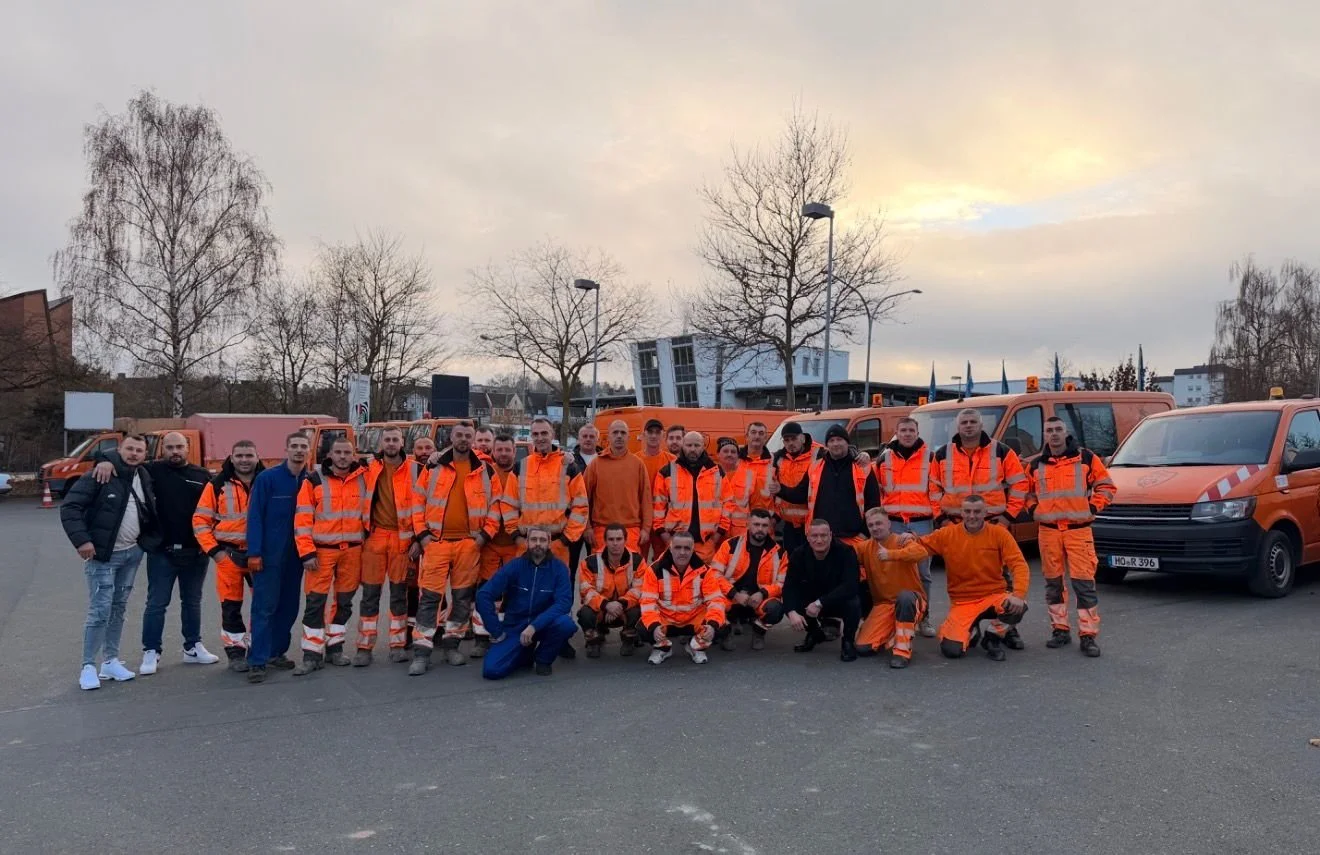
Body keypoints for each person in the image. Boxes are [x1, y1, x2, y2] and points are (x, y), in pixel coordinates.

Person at [92, 431, 219, 673]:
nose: (174, 451)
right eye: (169, 447)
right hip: (162, 551)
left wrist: (209, 543)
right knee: (156, 603)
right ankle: (151, 651)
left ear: (187, 448)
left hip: (196, 552)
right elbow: (119, 456)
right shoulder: (150, 471)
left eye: (179, 447)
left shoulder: (201, 476)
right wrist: (103, 460)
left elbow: (215, 506)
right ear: (162, 449)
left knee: (192, 601)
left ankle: (192, 647)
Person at [61, 433, 158, 690]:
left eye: (139, 450)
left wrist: (144, 543)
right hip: (103, 556)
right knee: (99, 610)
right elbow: (70, 507)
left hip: (132, 554)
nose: (134, 454)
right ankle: (88, 666)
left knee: (118, 608)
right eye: (130, 449)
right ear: (119, 449)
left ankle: (110, 661)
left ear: (145, 455)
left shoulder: (143, 475)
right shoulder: (101, 473)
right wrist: (82, 540)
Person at [928, 408, 1029, 649]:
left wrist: (1007, 516)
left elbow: (1020, 484)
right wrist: (940, 518)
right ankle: (969, 623)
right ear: (957, 426)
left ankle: (1006, 629)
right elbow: (933, 489)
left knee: (1001, 579)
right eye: (964, 422)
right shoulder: (943, 454)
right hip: (955, 525)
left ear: (981, 425)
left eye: (973, 422)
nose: (969, 426)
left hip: (993, 523)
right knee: (962, 578)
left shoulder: (1001, 451)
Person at [410, 421, 504, 672]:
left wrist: (484, 536)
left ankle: (452, 646)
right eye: (459, 435)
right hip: (437, 543)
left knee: (462, 599)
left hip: (469, 545)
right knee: (429, 598)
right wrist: (423, 536)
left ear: (473, 440)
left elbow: (496, 507)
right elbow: (417, 502)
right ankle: (422, 651)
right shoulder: (433, 466)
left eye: (467, 436)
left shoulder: (486, 470)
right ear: (451, 437)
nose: (463, 439)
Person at [1028, 416, 1117, 658]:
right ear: (1044, 435)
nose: (1054, 434)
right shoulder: (1036, 466)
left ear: (1065, 433)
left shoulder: (1086, 458)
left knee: (1084, 585)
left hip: (1079, 531)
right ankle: (1060, 630)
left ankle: (1088, 636)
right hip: (1048, 531)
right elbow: (1026, 492)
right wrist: (1032, 510)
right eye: (1049, 430)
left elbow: (1106, 487)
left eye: (1058, 429)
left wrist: (1093, 508)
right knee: (1053, 585)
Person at [907, 495, 1030, 662]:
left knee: (1018, 606)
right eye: (968, 511)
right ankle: (971, 630)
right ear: (961, 513)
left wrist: (1019, 594)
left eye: (977, 512)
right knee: (951, 650)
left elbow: (1019, 564)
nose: (972, 516)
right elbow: (921, 546)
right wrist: (907, 540)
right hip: (963, 602)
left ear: (985, 513)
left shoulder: (999, 534)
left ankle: (992, 637)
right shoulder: (948, 534)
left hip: (994, 596)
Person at [291, 438, 370, 676]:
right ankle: (311, 654)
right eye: (338, 452)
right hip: (322, 552)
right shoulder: (313, 480)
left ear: (354, 455)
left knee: (344, 603)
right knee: (315, 603)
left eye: (348, 452)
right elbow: (302, 520)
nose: (343, 456)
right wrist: (306, 552)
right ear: (330, 455)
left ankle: (335, 648)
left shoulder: (364, 478)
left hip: (353, 551)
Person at [513, 416, 588, 659]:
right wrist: (516, 535)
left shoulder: (568, 465)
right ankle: (527, 638)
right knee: (527, 592)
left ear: (552, 433)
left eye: (544, 433)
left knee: (559, 593)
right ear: (530, 437)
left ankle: (559, 637)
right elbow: (508, 504)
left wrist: (567, 539)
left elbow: (581, 505)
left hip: (557, 542)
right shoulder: (521, 466)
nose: (540, 438)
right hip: (527, 543)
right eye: (535, 434)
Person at [245, 432, 312, 683]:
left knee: (289, 607)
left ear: (309, 451)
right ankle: (258, 660)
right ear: (286, 450)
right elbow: (254, 517)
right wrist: (254, 552)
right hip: (269, 554)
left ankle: (276, 652)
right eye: (294, 446)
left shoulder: (311, 480)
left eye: (303, 447)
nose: (298, 451)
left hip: (298, 555)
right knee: (264, 608)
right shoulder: (267, 479)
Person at [192, 440, 264, 671]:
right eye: (239, 455)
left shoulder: (265, 482)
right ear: (232, 458)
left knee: (262, 605)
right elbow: (200, 521)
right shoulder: (217, 484)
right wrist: (214, 552)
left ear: (257, 457)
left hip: (259, 555)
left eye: (249, 455)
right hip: (228, 555)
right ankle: (235, 652)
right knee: (231, 606)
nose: (244, 460)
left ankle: (259, 647)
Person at [474, 527, 576, 679]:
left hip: (543, 626)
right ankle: (524, 654)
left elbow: (564, 603)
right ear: (527, 542)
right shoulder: (514, 566)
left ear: (549, 543)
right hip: (515, 626)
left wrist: (534, 626)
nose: (538, 544)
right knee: (492, 670)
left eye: (542, 540)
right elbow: (484, 595)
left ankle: (543, 659)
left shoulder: (559, 569)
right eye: (534, 540)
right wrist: (496, 630)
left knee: (565, 624)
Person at [874, 417, 938, 638]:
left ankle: (924, 617)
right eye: (903, 430)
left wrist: (937, 517)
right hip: (893, 522)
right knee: (893, 569)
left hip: (921, 522)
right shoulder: (884, 459)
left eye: (911, 430)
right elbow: (876, 489)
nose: (907, 434)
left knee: (922, 573)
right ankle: (896, 615)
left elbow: (936, 491)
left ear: (917, 432)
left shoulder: (931, 458)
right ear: (897, 433)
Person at [359, 425, 418, 667]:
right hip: (375, 537)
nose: (391, 444)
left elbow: (423, 505)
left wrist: (416, 538)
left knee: (398, 596)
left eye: (395, 439)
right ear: (381, 443)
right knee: (370, 595)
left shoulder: (415, 470)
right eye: (387, 440)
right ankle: (364, 647)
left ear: (402, 443)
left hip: (402, 539)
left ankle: (397, 645)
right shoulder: (368, 467)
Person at [774, 424, 879, 551]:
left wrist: (864, 533)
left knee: (852, 570)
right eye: (831, 441)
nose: (835, 444)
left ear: (847, 443)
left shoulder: (862, 467)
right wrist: (780, 490)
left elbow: (873, 504)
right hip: (821, 538)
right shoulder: (815, 467)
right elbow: (800, 494)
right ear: (827, 445)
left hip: (854, 539)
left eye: (839, 439)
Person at [638, 531, 727, 665]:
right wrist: (655, 626)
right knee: (644, 627)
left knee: (722, 626)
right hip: (666, 621)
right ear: (671, 548)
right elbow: (648, 603)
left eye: (687, 548)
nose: (682, 552)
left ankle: (696, 646)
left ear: (693, 550)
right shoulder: (654, 570)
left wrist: (712, 625)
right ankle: (663, 648)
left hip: (693, 619)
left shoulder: (705, 571)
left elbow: (716, 601)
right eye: (678, 547)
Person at [854, 509, 928, 668]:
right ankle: (892, 631)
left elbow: (921, 553)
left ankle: (902, 650)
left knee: (905, 597)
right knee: (863, 648)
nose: (875, 528)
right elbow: (845, 556)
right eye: (871, 525)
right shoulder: (864, 547)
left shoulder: (901, 540)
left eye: (879, 523)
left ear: (889, 524)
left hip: (912, 600)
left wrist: (891, 555)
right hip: (884, 605)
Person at [472, 433, 522, 657]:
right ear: (493, 451)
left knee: (512, 593)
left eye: (507, 450)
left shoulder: (523, 473)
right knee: (486, 592)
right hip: (490, 543)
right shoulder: (485, 473)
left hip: (515, 544)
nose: (503, 453)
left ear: (514, 451)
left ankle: (508, 635)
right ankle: (482, 637)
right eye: (499, 449)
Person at [783, 519, 861, 662]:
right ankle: (814, 634)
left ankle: (848, 641)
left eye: (824, 535)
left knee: (853, 602)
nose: (819, 540)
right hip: (811, 600)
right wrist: (791, 612)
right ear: (808, 536)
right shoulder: (798, 554)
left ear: (831, 535)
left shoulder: (846, 552)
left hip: (836, 600)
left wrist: (820, 603)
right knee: (793, 602)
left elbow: (850, 586)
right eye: (815, 536)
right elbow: (789, 587)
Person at [709, 508, 786, 651]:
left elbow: (781, 584)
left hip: (758, 601)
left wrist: (762, 593)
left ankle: (758, 632)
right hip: (731, 597)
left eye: (764, 526)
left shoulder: (779, 553)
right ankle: (726, 632)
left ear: (769, 527)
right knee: (712, 608)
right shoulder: (730, 545)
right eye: (756, 524)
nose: (760, 529)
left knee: (776, 609)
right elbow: (713, 574)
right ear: (748, 524)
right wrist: (734, 594)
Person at [654, 431, 728, 562]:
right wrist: (666, 537)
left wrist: (717, 535)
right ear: (682, 445)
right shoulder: (667, 472)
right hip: (676, 542)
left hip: (706, 543)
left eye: (697, 445)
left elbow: (729, 503)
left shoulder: (717, 471)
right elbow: (658, 507)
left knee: (705, 580)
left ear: (703, 446)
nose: (692, 449)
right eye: (689, 445)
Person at [576, 523, 646, 657]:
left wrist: (619, 604)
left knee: (639, 609)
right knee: (585, 613)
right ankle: (593, 641)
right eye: (611, 539)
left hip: (624, 608)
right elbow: (586, 591)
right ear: (605, 541)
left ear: (625, 540)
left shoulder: (638, 561)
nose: (615, 543)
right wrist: (607, 605)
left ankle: (629, 639)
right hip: (601, 609)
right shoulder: (589, 562)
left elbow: (639, 590)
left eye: (619, 539)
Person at [584, 419, 653, 552]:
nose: (619, 436)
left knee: (631, 570)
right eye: (615, 432)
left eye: (623, 432)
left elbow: (646, 499)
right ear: (608, 436)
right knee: (602, 571)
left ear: (628, 436)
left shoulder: (637, 464)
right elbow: (583, 499)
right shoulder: (596, 464)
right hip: (602, 531)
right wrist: (587, 528)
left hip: (631, 531)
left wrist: (646, 528)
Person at [401, 435, 436, 651]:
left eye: (428, 447)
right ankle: (409, 633)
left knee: (434, 588)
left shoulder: (440, 470)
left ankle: (437, 628)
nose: (424, 451)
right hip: (413, 540)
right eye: (420, 448)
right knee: (411, 589)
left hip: (434, 539)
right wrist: (415, 538)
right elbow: (412, 508)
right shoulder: (407, 473)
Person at [772, 421, 816, 556]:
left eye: (794, 439)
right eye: (787, 440)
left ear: (802, 438)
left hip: (811, 525)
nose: (790, 443)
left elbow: (840, 450)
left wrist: (860, 454)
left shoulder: (818, 455)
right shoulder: (779, 458)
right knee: (792, 563)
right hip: (789, 526)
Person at [568, 423, 601, 577]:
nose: (588, 439)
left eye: (592, 436)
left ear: (598, 439)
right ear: (579, 439)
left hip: (598, 523)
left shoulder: (605, 460)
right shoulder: (568, 462)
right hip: (573, 523)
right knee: (569, 567)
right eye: (585, 436)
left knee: (596, 568)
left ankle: (591, 600)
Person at [717, 437, 763, 541]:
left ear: (738, 456)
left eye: (733, 451)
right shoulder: (709, 476)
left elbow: (757, 507)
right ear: (718, 455)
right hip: (716, 534)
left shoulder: (750, 476)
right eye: (725, 451)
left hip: (740, 535)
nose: (729, 454)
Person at [739, 421, 776, 515]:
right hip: (738, 522)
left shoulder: (774, 461)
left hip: (764, 522)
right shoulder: (735, 460)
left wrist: (776, 518)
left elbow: (779, 493)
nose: (757, 436)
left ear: (765, 438)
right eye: (753, 432)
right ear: (747, 436)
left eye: (761, 433)